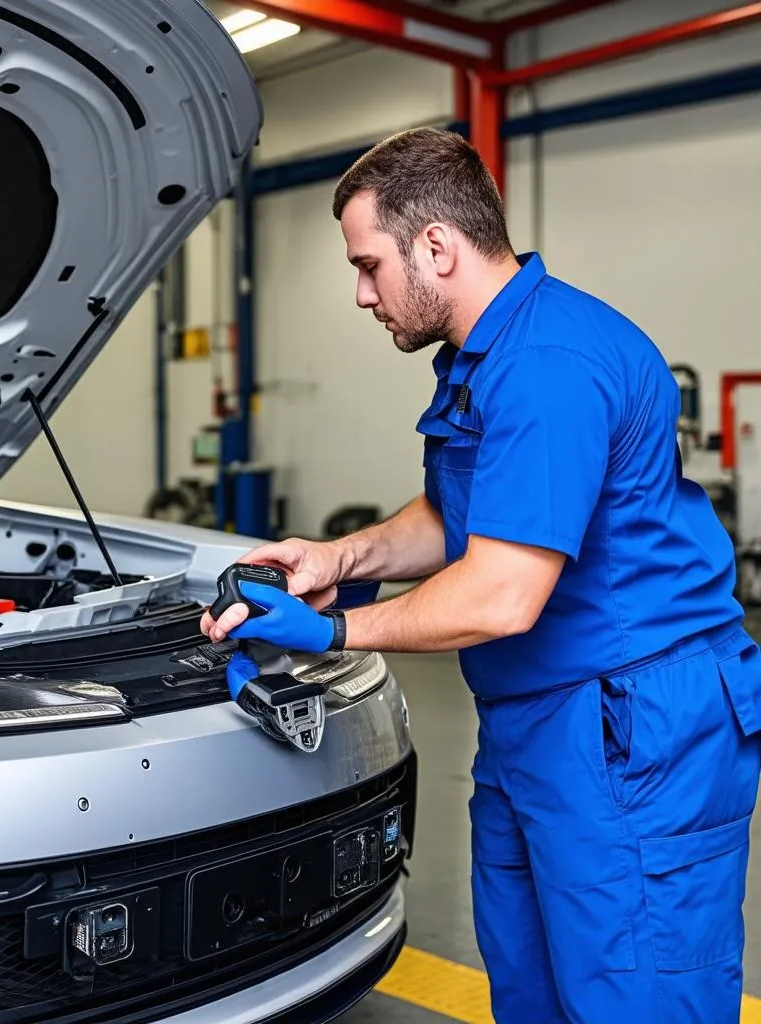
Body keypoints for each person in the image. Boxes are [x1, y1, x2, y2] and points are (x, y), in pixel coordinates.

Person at [200, 126, 761, 1024]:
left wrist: (339, 629)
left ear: (436, 246)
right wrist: (340, 557)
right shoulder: (483, 358)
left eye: (369, 264)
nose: (360, 294)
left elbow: (502, 591)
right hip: (536, 723)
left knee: (637, 997)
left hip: (632, 728)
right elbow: (460, 518)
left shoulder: (550, 365)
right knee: (532, 991)